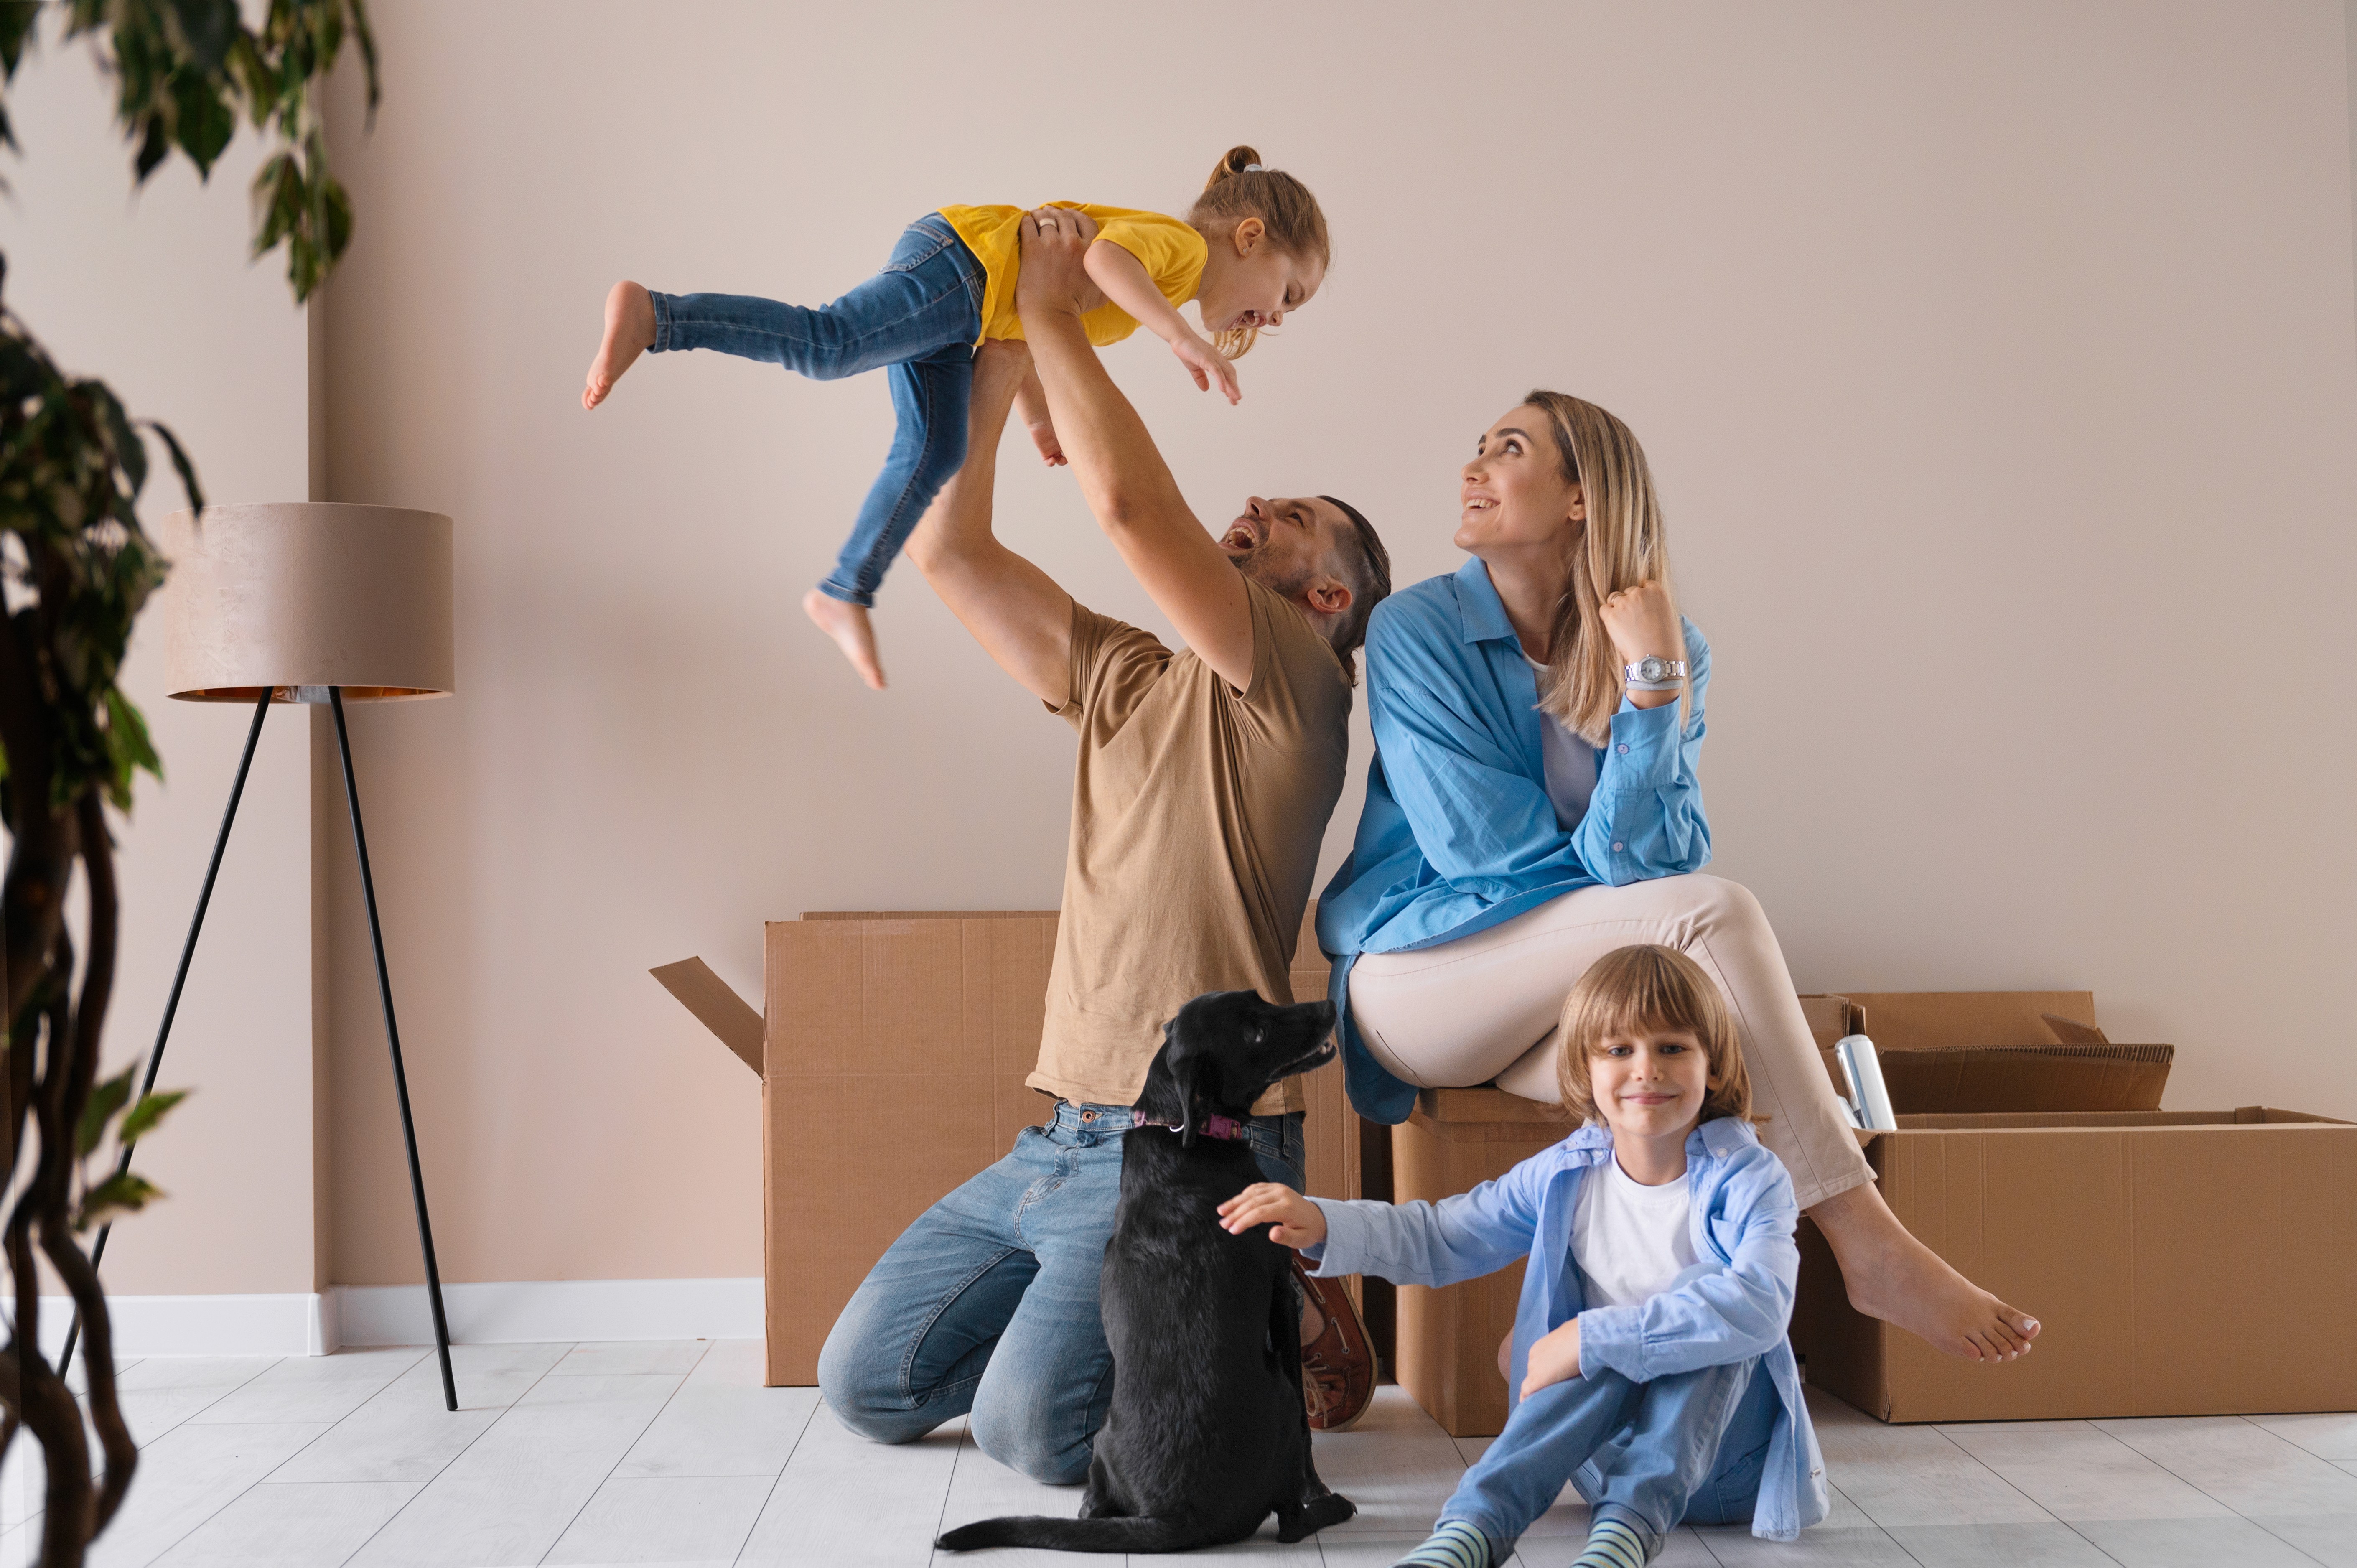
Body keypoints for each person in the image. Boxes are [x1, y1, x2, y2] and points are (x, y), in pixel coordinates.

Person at [813, 206, 1388, 1483]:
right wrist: (1002, 341)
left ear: (1327, 597)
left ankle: (1247, 1316)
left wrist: (1059, 298)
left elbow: (1128, 506)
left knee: (1032, 1433)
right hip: (1059, 1135)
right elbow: (949, 552)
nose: (1258, 502)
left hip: (1199, 1152)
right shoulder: (1130, 677)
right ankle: (1232, 1309)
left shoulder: (1302, 687)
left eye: (1295, 516)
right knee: (864, 1387)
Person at [1315, 392, 2041, 1365]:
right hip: (1420, 981)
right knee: (1713, 914)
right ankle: (1868, 1242)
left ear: (1582, 497)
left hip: (1560, 1007)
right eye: (1477, 448)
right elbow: (1486, 853)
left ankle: (1653, 1345)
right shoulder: (1417, 629)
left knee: (1690, 1061)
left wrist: (1652, 678)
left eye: (1508, 449)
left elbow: (1657, 858)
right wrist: (1619, 846)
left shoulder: (1669, 648)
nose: (1473, 468)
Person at [579, 146, 1330, 691]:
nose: (1276, 319)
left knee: (937, 449)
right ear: (1250, 238)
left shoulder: (1164, 282)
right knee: (830, 344)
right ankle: (659, 316)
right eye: (1289, 295)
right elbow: (1103, 264)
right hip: (963, 261)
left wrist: (1039, 419)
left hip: (976, 310)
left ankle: (845, 589)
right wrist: (1181, 338)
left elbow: (1032, 323)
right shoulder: (1181, 251)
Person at [1220, 944, 1825, 1568]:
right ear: (1585, 1071)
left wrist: (1588, 1337)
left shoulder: (1750, 1177)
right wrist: (1325, 1221)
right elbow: (1445, 1235)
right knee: (1603, 1338)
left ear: (1713, 1068)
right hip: (1605, 1464)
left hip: (1727, 1469)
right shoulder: (1568, 1173)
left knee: (1700, 1303)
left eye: (1672, 1048)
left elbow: (1760, 1305)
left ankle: (1622, 1541)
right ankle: (1472, 1532)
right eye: (1620, 1050)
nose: (1646, 1070)